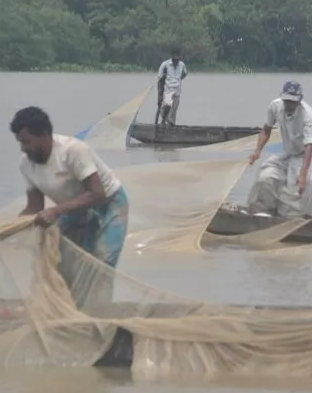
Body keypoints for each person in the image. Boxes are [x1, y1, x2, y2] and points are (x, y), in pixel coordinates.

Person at [11, 106, 130, 279]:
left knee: (102, 262)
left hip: (109, 204)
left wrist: (56, 211)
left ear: (44, 135)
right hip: (73, 209)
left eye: (27, 142)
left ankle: (98, 305)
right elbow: (35, 207)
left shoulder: (72, 151)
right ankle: (67, 303)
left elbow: (97, 193)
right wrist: (10, 228)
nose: (23, 148)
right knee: (60, 260)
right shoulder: (26, 164)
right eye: (20, 142)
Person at [247, 81, 312, 218]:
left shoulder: (307, 116)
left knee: (302, 185)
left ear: (299, 100)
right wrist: (257, 151)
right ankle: (265, 210)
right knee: (266, 177)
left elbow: (309, 147)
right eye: (287, 101)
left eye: (293, 102)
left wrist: (302, 175)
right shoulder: (275, 106)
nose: (289, 104)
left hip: (308, 154)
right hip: (289, 153)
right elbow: (266, 129)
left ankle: (297, 216)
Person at [156, 48, 188, 126]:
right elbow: (160, 80)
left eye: (178, 56)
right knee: (165, 109)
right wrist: (159, 95)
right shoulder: (165, 65)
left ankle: (171, 127)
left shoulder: (181, 65)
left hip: (177, 91)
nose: (177, 58)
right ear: (172, 56)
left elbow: (185, 73)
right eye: (175, 56)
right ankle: (164, 123)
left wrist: (179, 80)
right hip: (168, 90)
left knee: (173, 111)